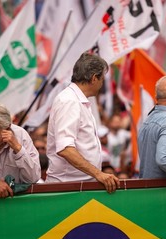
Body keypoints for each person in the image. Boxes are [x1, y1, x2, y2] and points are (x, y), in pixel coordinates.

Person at [45, 52, 119, 193]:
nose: (102, 84)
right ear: (93, 78)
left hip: (77, 186)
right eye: (102, 79)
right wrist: (98, 174)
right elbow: (65, 148)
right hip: (68, 188)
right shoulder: (69, 101)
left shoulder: (77, 100)